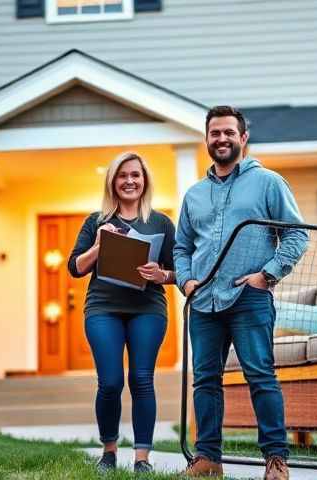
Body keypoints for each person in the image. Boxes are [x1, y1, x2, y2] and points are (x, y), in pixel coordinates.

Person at [174, 106, 308, 479]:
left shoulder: (267, 182)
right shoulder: (195, 195)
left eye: (228, 133)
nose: (221, 139)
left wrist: (268, 274)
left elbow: (296, 234)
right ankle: (207, 460)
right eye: (214, 133)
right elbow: (181, 248)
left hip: (249, 298)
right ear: (206, 140)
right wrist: (185, 280)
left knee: (260, 376)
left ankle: (276, 461)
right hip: (203, 302)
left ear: (243, 138)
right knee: (205, 381)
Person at [67, 151, 177, 474]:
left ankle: (142, 459)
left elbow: (179, 271)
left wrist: (163, 275)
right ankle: (109, 451)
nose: (130, 181)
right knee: (111, 382)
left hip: (148, 308)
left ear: (144, 181)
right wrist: (101, 245)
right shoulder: (96, 221)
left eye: (136, 175)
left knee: (142, 379)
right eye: (123, 176)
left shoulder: (161, 223)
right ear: (112, 182)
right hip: (103, 308)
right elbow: (74, 267)